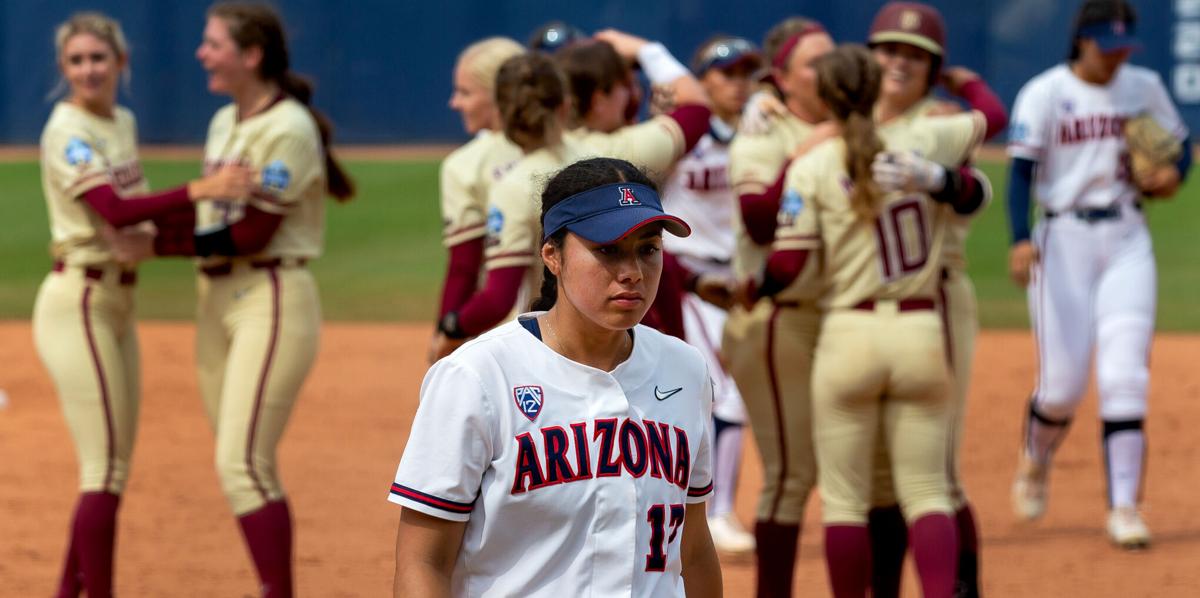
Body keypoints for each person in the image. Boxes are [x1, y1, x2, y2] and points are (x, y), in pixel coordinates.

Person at [390, 156, 722, 597]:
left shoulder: (686, 369)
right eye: (608, 250)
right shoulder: (478, 376)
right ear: (552, 255)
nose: (633, 273)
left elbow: (694, 549)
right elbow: (423, 562)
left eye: (648, 248)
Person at [109, 3, 355, 594]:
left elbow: (251, 234)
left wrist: (154, 243)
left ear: (251, 56)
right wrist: (160, 235)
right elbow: (214, 218)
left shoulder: (288, 127)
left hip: (268, 296)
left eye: (213, 43)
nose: (201, 53)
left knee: (241, 464)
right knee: (242, 460)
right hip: (216, 301)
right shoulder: (226, 122)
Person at [748, 44, 988, 597]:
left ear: (825, 97)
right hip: (921, 331)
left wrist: (748, 290)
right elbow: (982, 163)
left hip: (848, 334)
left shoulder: (811, 163)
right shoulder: (921, 142)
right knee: (928, 490)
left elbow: (787, 264)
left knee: (845, 502)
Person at [33, 12, 254, 597]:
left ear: (120, 63)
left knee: (109, 471)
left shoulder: (121, 122)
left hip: (118, 304)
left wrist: (203, 214)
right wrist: (200, 191)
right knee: (101, 471)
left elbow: (141, 216)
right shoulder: (67, 130)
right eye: (77, 60)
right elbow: (115, 211)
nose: (88, 69)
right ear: (64, 69)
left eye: (98, 58)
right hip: (77, 301)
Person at [1006, 0, 1190, 550]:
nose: (1114, 60)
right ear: (1081, 41)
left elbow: (1180, 153)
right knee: (1061, 388)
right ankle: (1036, 458)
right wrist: (1020, 239)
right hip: (1062, 241)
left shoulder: (1143, 85)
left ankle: (1126, 507)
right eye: (1105, 48)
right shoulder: (1044, 93)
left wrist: (1170, 174)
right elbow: (1020, 173)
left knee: (1125, 375)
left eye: (1121, 49)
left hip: (1128, 237)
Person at [431, 36, 712, 355]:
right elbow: (698, 110)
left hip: (550, 348)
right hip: (633, 342)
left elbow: (496, 297)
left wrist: (450, 328)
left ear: (504, 120)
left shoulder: (509, 184)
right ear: (566, 104)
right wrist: (648, 51)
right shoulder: (618, 149)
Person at [864, 2, 1008, 595]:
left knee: (934, 471)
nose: (901, 62)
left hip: (934, 301)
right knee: (874, 474)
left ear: (934, 68)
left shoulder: (941, 121)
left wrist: (940, 172)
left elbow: (976, 191)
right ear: (870, 57)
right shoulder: (847, 118)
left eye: (917, 55)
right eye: (891, 49)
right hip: (855, 308)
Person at [722, 16, 833, 596]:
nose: (829, 67)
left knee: (846, 471)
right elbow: (759, 222)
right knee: (792, 474)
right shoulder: (763, 129)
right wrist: (806, 156)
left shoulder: (849, 123)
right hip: (773, 316)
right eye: (813, 61)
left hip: (835, 319)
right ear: (782, 78)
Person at [657, 34, 762, 555]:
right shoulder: (682, 136)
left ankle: (706, 507)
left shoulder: (758, 134)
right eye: (727, 73)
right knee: (725, 392)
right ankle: (716, 512)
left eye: (746, 73)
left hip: (742, 282)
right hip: (691, 278)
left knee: (730, 393)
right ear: (702, 80)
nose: (739, 84)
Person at [431, 36, 524, 362]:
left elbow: (464, 268)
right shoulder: (571, 144)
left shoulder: (466, 164)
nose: (454, 103)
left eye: (465, 92)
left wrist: (445, 332)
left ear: (500, 95)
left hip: (507, 329)